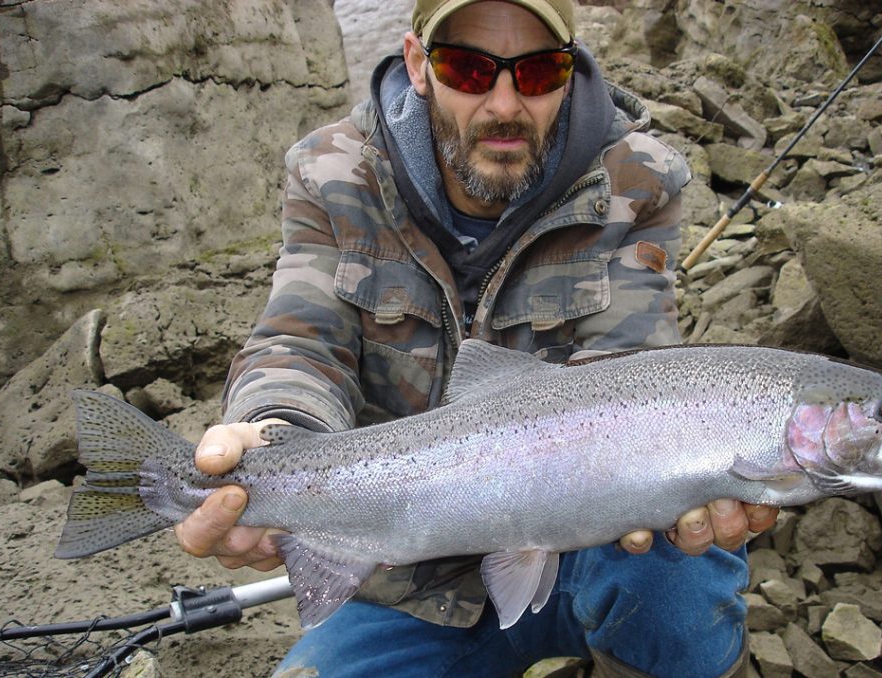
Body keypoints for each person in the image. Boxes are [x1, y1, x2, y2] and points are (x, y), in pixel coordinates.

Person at [174, 0, 778, 675]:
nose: (504, 103)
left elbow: (628, 371)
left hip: (594, 537)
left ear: (570, 71)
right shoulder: (331, 171)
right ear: (418, 65)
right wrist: (272, 431)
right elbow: (301, 341)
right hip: (405, 577)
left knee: (679, 585)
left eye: (539, 70)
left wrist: (689, 470)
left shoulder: (638, 178)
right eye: (467, 68)